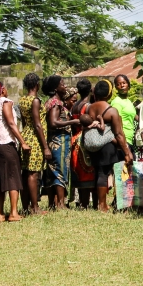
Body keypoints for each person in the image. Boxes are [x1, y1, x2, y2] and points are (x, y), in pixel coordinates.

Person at [86, 79, 134, 212]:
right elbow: (118, 133)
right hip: (107, 145)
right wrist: (126, 152)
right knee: (104, 173)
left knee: (98, 172)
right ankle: (102, 205)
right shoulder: (111, 111)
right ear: (109, 94)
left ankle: (98, 203)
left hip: (94, 145)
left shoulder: (90, 107)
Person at [0, 81, 27, 222]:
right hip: (7, 144)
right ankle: (14, 213)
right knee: (13, 178)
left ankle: (0, 214)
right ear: (2, 90)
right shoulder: (5, 102)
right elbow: (10, 123)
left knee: (0, 179)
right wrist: (22, 142)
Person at [43, 75, 78, 210]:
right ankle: (61, 204)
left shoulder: (50, 102)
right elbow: (53, 122)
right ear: (55, 88)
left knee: (52, 172)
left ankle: (53, 203)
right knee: (60, 171)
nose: (65, 86)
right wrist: (72, 122)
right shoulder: (56, 103)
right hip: (59, 140)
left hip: (53, 141)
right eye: (62, 84)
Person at [18, 73, 49, 215]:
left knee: (26, 173)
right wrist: (45, 147)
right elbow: (37, 125)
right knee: (33, 174)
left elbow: (25, 122)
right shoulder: (35, 101)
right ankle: (35, 207)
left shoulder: (22, 100)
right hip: (35, 139)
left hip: (26, 136)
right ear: (37, 84)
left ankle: (25, 207)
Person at [71, 78, 97, 209]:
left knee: (79, 171)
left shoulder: (75, 105)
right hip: (85, 138)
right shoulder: (88, 106)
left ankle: (82, 202)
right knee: (87, 171)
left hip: (75, 139)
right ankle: (86, 203)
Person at [110, 74, 138, 157]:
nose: (122, 85)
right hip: (123, 140)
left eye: (124, 83)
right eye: (118, 84)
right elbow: (117, 123)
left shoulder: (128, 101)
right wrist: (123, 144)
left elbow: (134, 116)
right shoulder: (117, 102)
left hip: (130, 139)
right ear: (116, 88)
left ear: (128, 85)